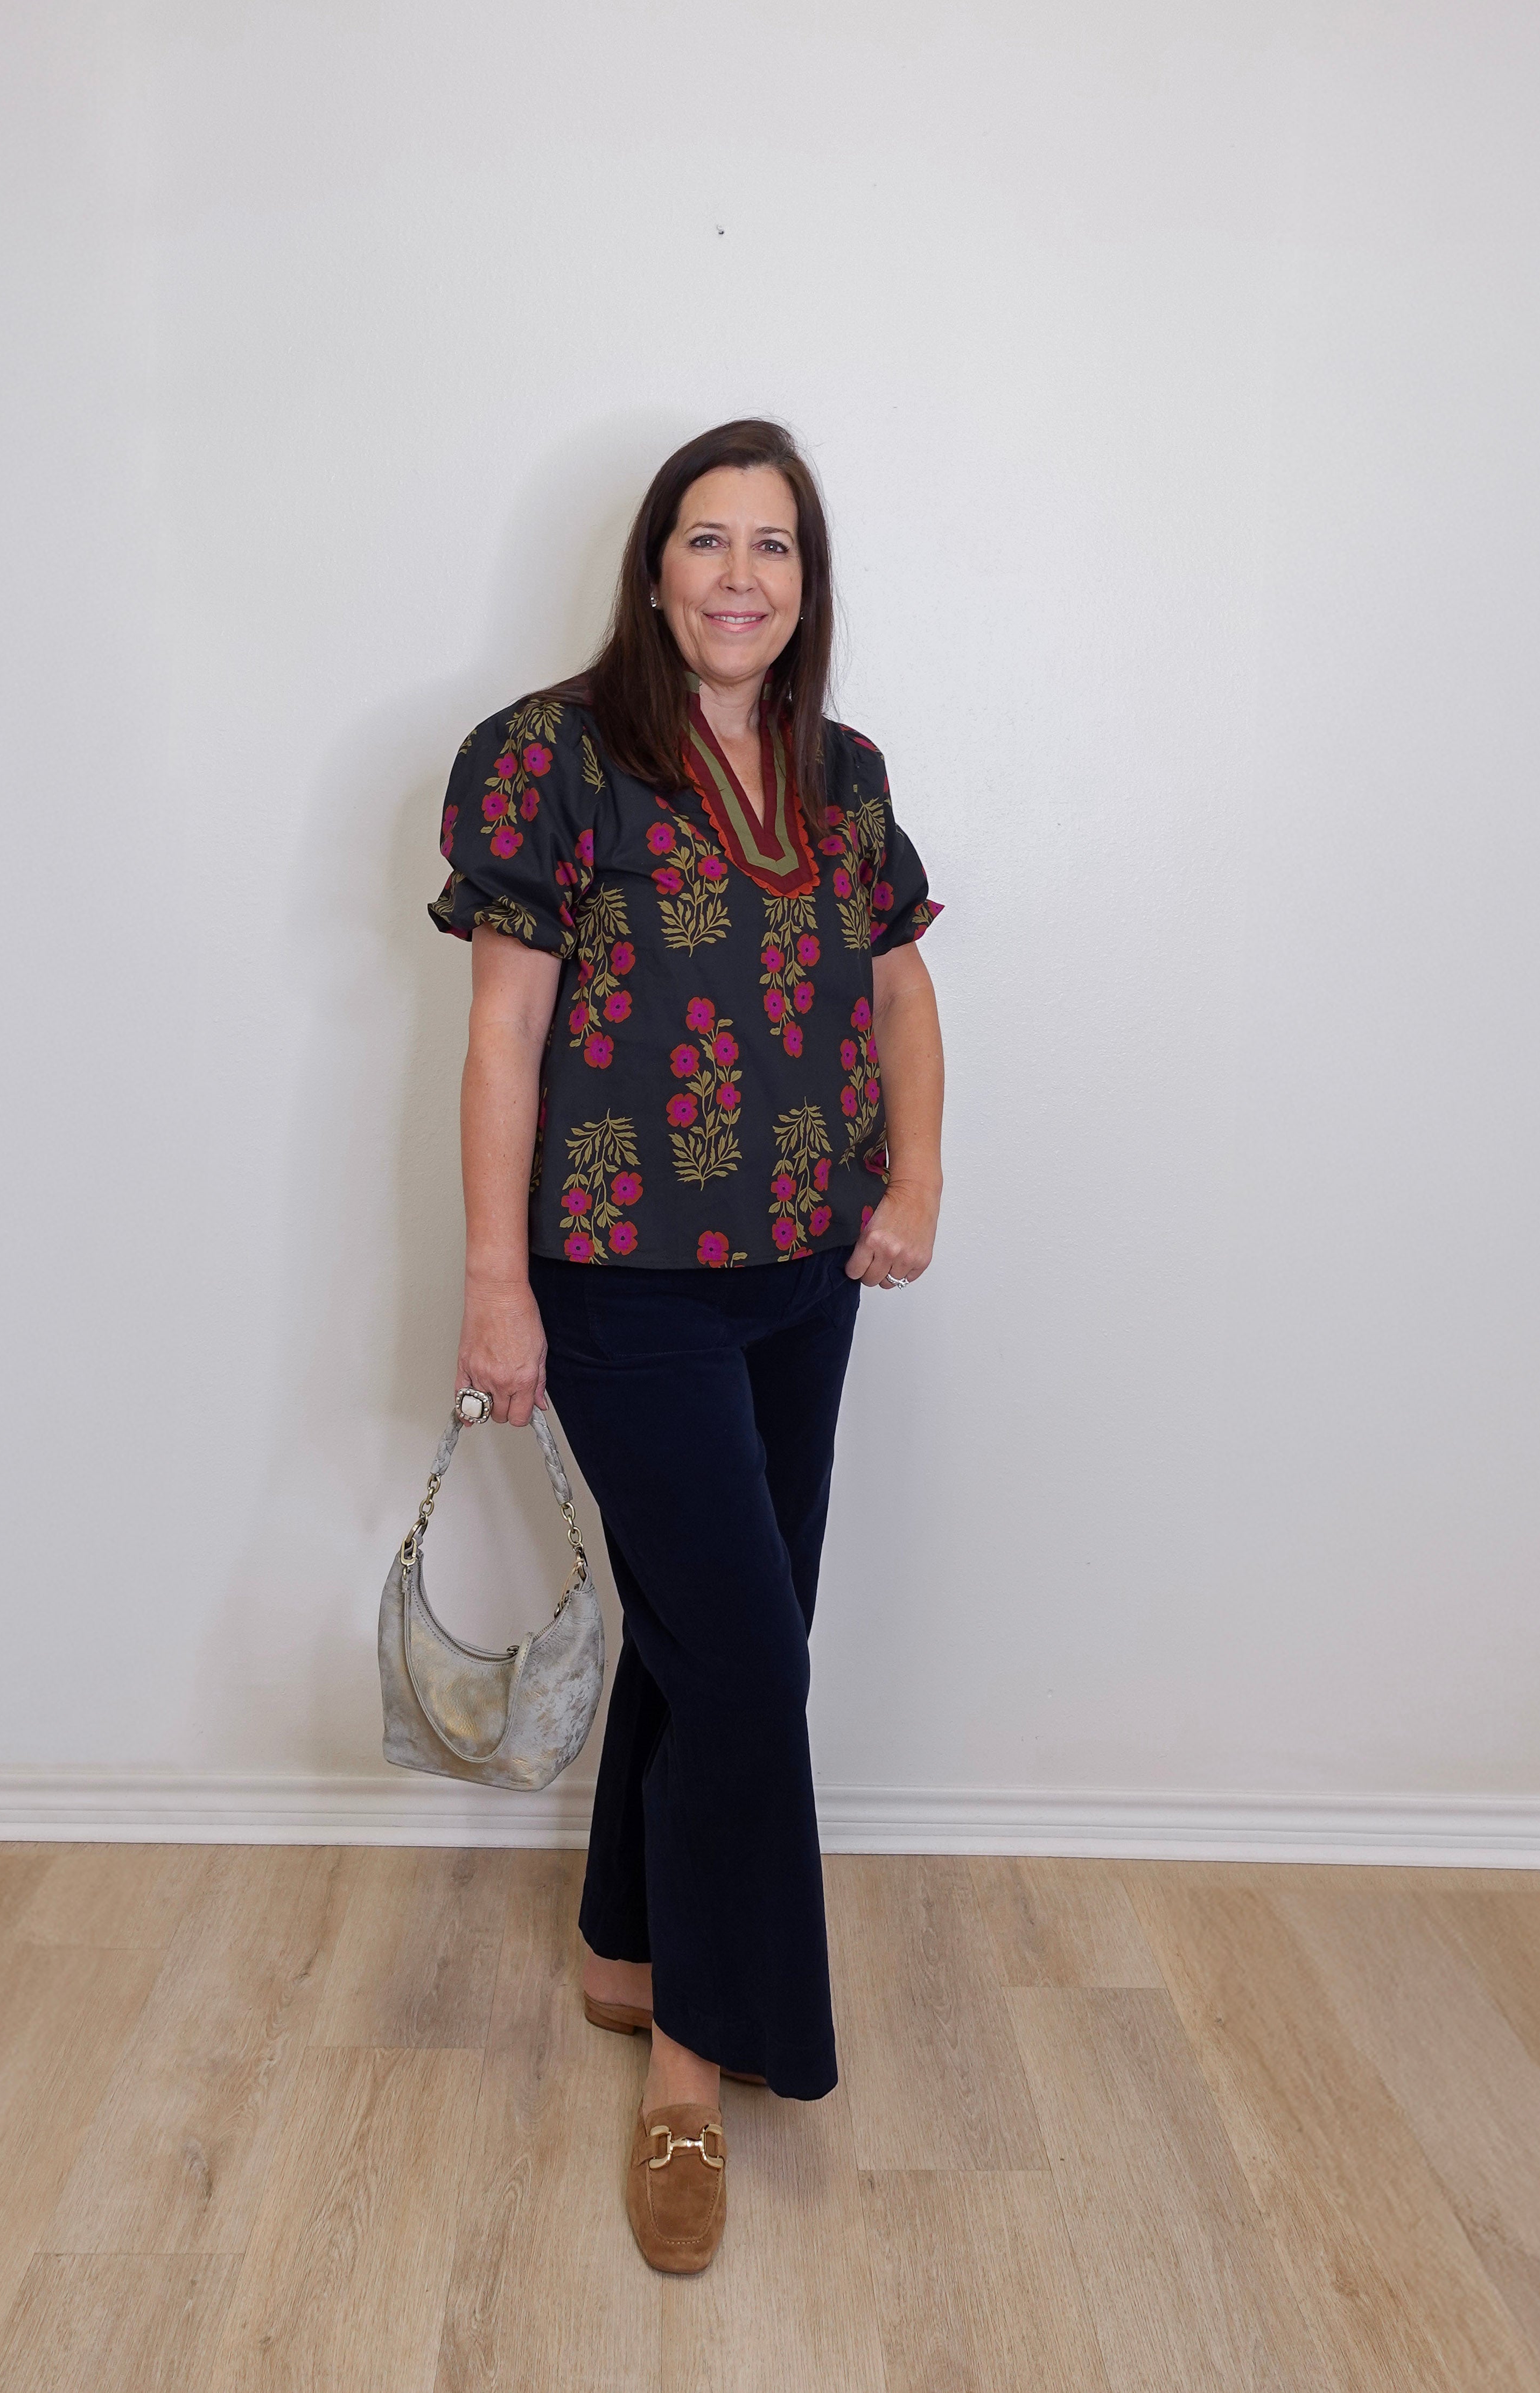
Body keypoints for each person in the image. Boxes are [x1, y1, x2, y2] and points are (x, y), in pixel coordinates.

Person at [428, 417, 944, 2272]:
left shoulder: (844, 770)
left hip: (806, 1270)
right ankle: (694, 2073)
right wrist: (499, 1282)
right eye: (708, 540)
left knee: (727, 1632)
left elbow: (897, 981)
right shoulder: (544, 761)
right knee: (748, 1677)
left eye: (777, 548)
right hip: (621, 1278)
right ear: (651, 568)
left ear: (806, 584)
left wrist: (920, 1174)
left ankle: (617, 1949)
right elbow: (501, 1041)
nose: (742, 576)